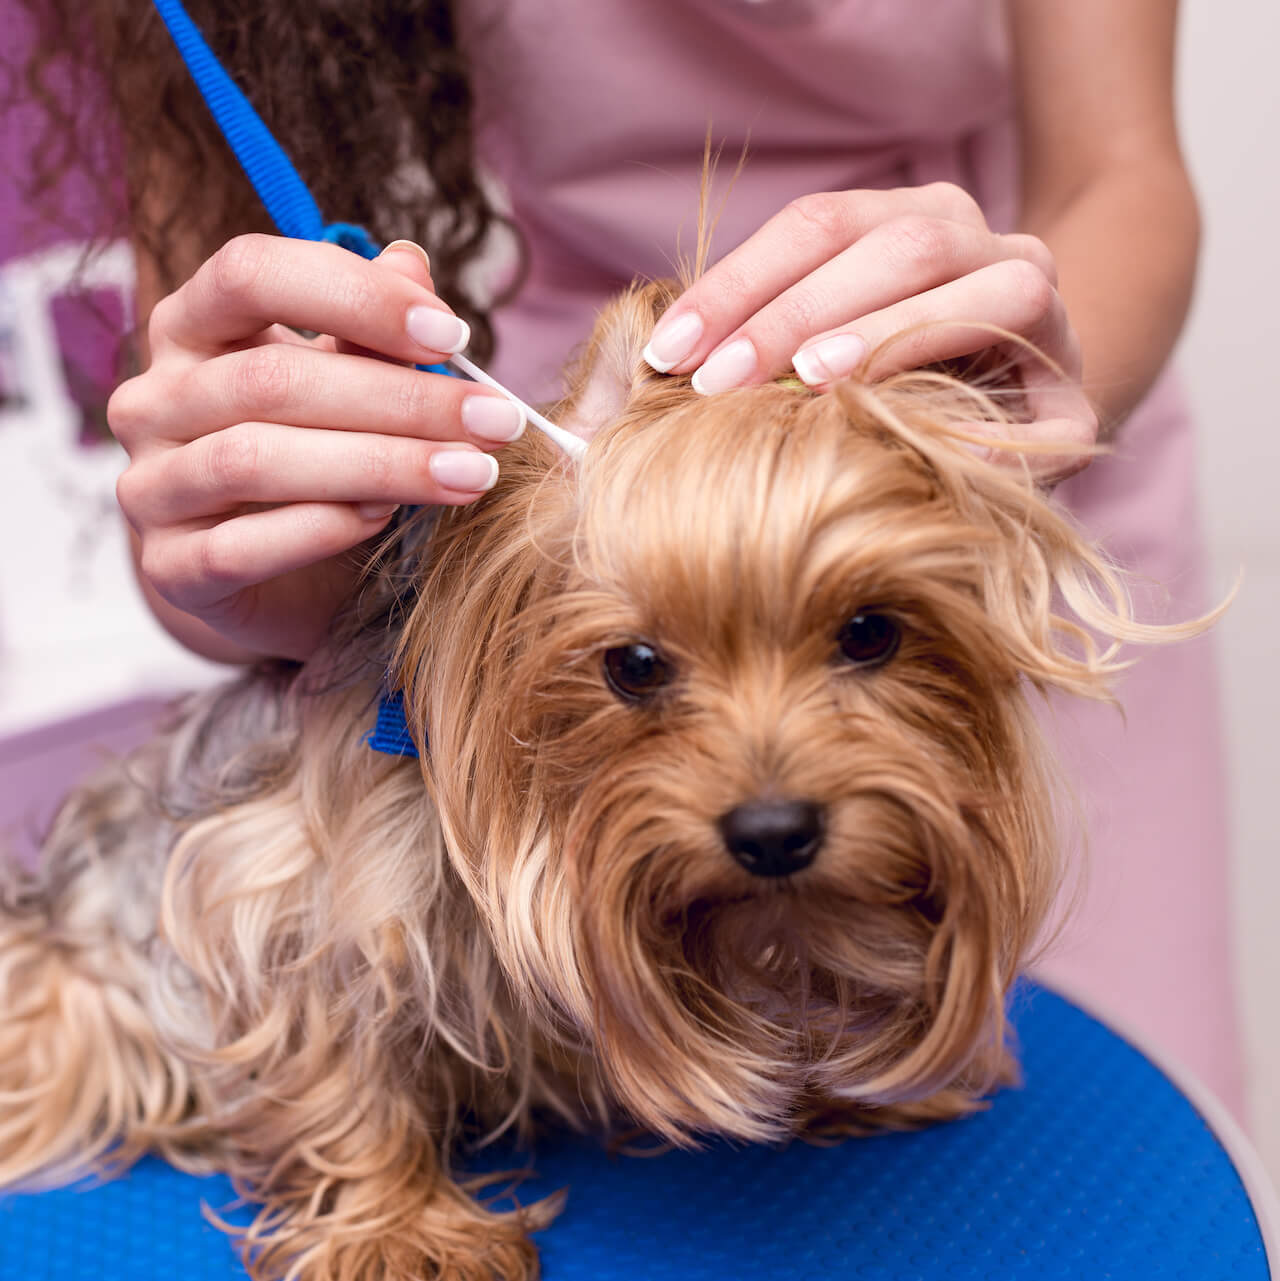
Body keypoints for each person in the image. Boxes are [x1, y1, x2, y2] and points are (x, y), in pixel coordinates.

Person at [11, 0, 1243, 1112]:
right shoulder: (531, 520)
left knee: (1098, 1141)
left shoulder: (998, 424)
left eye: (858, 642)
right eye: (645, 670)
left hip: (977, 422)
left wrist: (1009, 396)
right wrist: (291, 557)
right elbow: (225, 527)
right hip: (570, 453)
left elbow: (1119, 171)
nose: (768, 784)